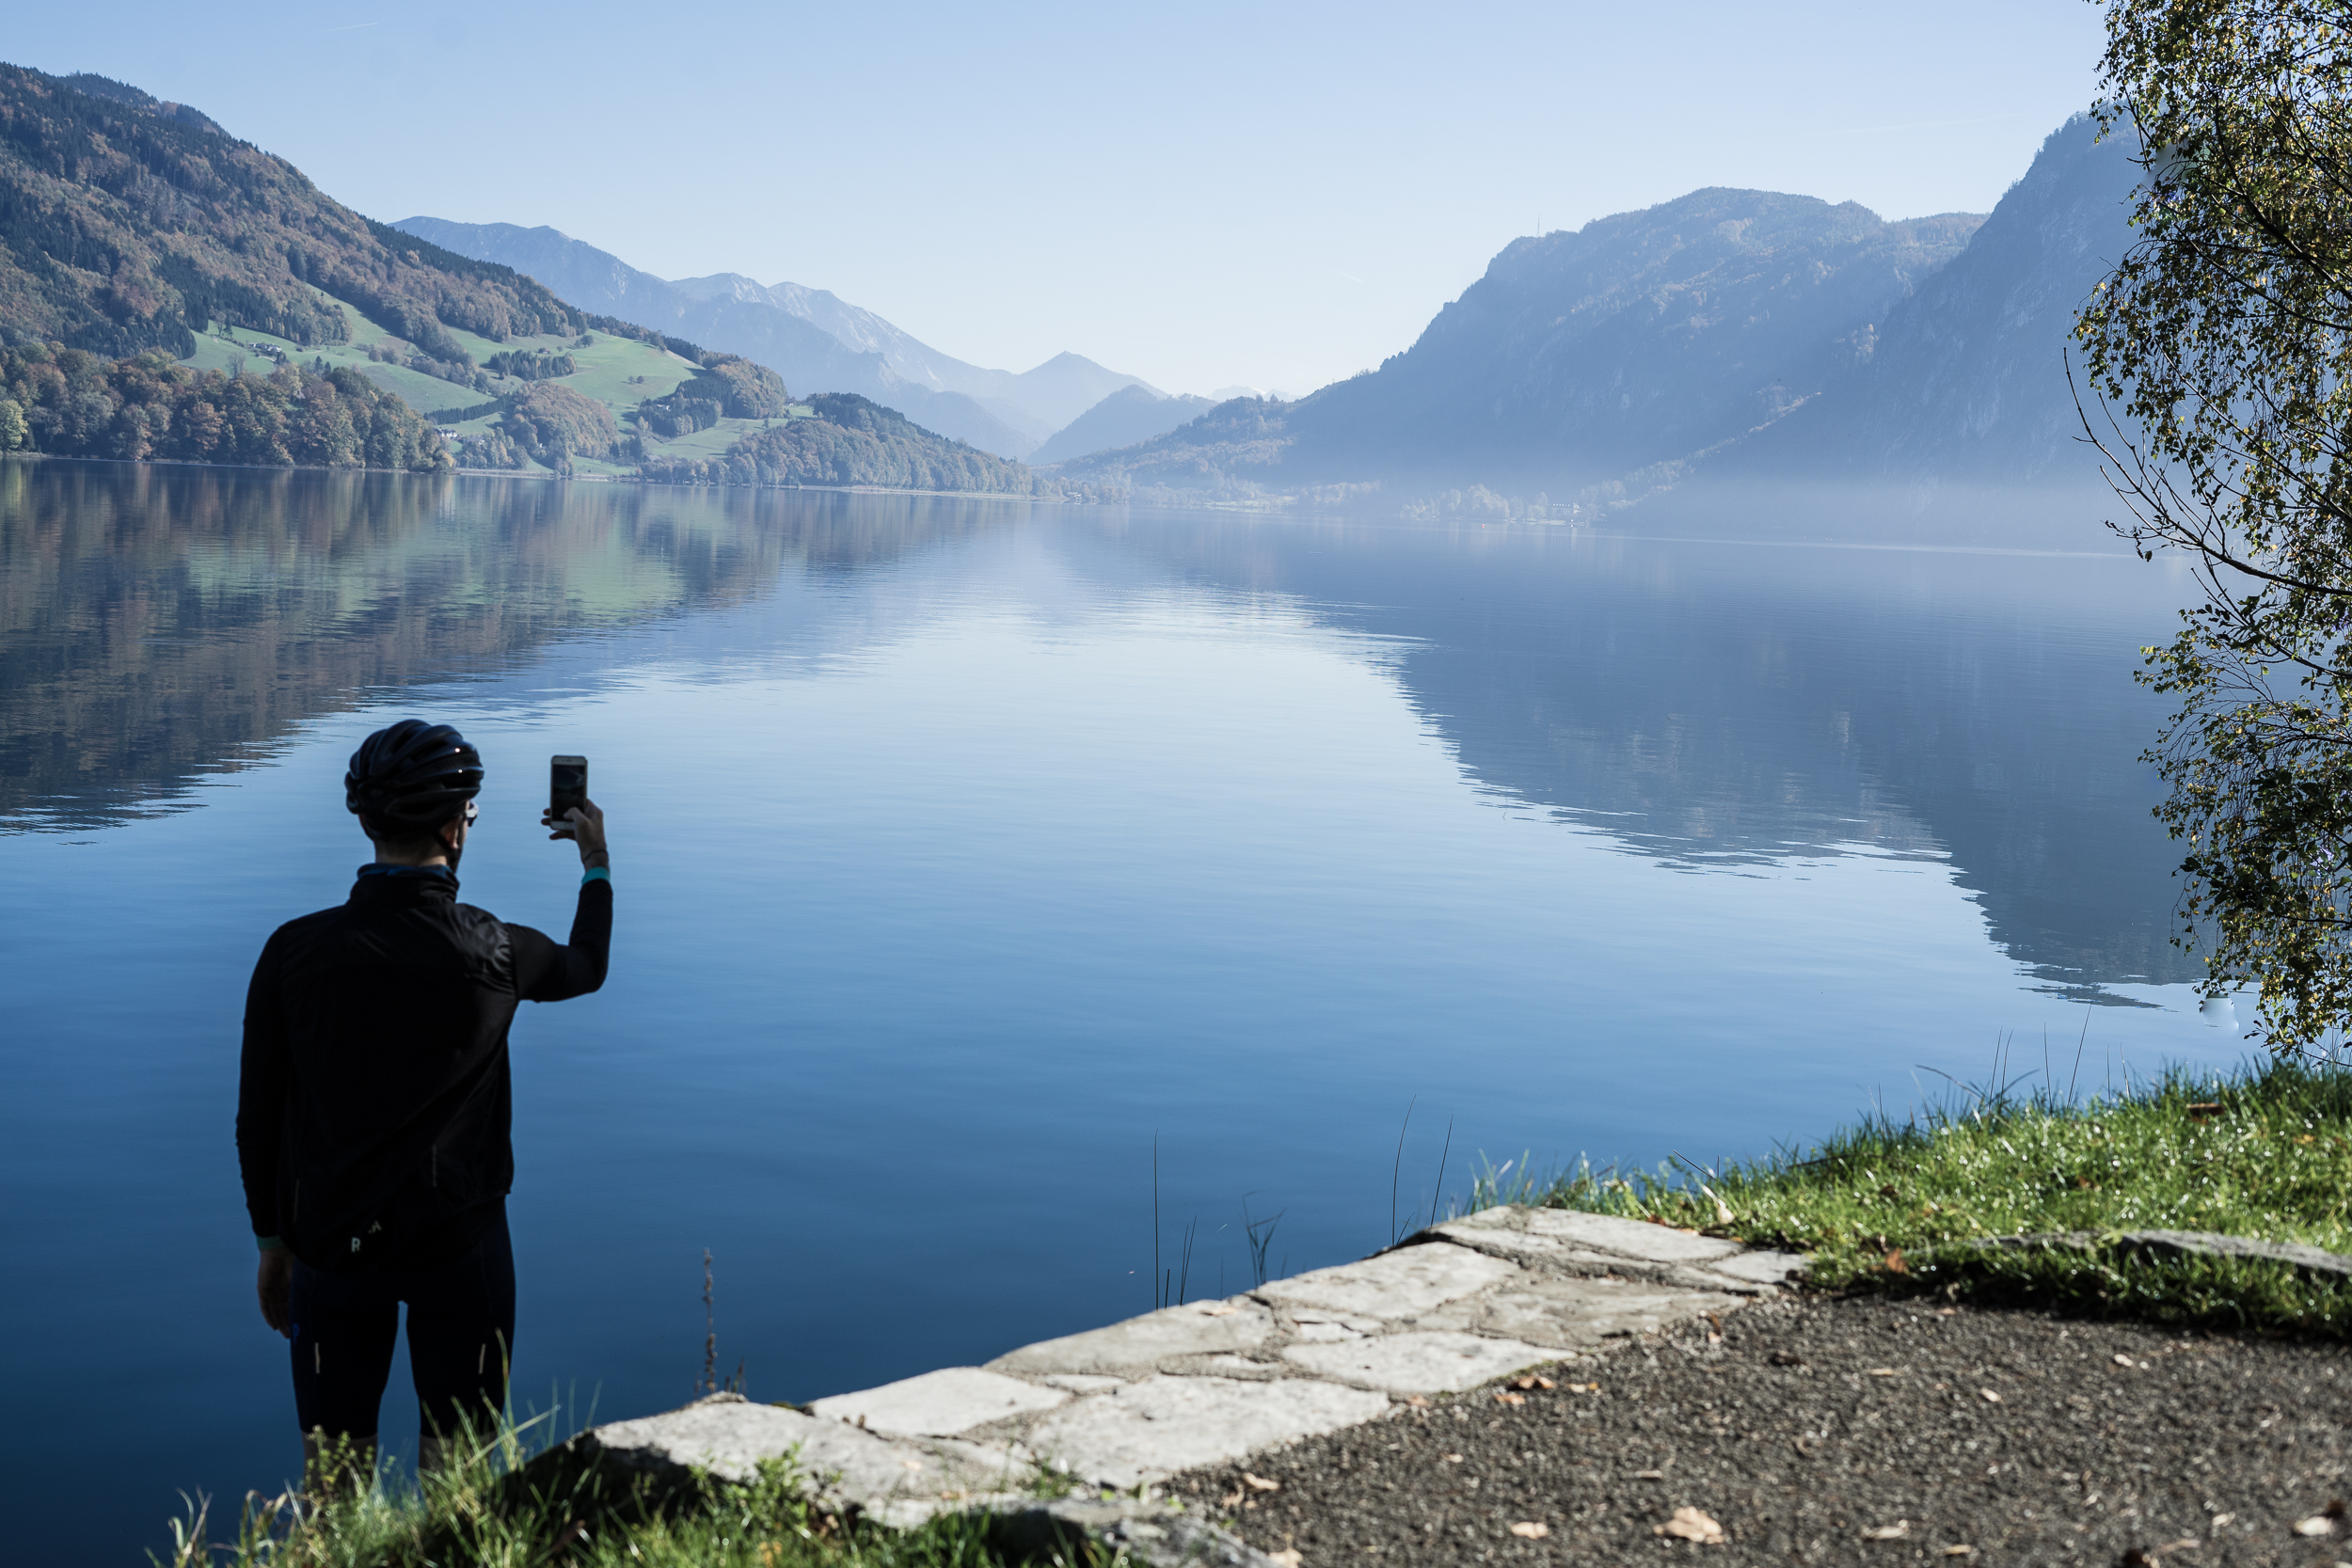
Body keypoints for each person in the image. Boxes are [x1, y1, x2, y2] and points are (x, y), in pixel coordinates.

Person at [234, 720, 612, 1481]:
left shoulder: (293, 952)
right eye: (469, 813)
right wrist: (595, 860)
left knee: (333, 1486)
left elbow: (259, 1115)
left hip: (328, 1254)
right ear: (453, 826)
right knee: (461, 1484)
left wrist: (272, 1245)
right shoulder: (500, 951)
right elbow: (587, 966)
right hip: (460, 1253)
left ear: (368, 821)